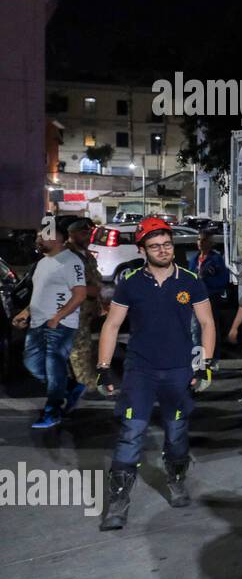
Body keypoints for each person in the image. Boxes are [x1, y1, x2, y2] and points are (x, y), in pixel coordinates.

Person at [94, 217, 217, 530]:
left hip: (179, 371)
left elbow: (206, 324)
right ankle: (118, 503)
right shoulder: (131, 283)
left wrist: (206, 364)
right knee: (131, 432)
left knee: (176, 433)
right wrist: (104, 369)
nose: (163, 250)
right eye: (155, 246)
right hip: (141, 372)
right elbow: (111, 325)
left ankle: (176, 480)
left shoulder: (190, 280)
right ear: (142, 249)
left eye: (167, 244)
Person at [12, 219, 87, 429]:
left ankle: (52, 411)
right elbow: (39, 293)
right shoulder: (42, 263)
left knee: (54, 369)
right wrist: (25, 313)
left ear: (57, 238)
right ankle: (71, 387)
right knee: (33, 364)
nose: (37, 240)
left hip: (59, 325)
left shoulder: (71, 261)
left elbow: (80, 294)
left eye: (41, 236)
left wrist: (57, 317)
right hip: (37, 323)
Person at [64, 218, 103, 407]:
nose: (88, 237)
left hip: (86, 311)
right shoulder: (65, 255)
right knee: (80, 350)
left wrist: (98, 301)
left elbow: (94, 278)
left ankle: (79, 385)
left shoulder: (85, 254)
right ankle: (87, 387)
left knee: (83, 348)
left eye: (89, 233)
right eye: (83, 233)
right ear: (72, 234)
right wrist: (88, 291)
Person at [189, 228, 230, 347]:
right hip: (195, 300)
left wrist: (207, 279)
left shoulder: (216, 260)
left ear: (209, 242)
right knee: (195, 331)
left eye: (203, 240)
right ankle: (197, 360)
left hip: (211, 299)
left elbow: (223, 280)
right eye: (198, 240)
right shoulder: (194, 259)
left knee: (210, 329)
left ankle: (210, 359)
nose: (200, 242)